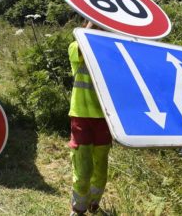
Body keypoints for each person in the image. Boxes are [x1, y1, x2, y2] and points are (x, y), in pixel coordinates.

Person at [68, 21, 112, 216]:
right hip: (82, 116)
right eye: (97, 27)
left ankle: (94, 204)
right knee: (84, 170)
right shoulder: (76, 47)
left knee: (101, 168)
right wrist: (95, 18)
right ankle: (78, 209)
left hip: (105, 119)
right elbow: (82, 42)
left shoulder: (110, 51)